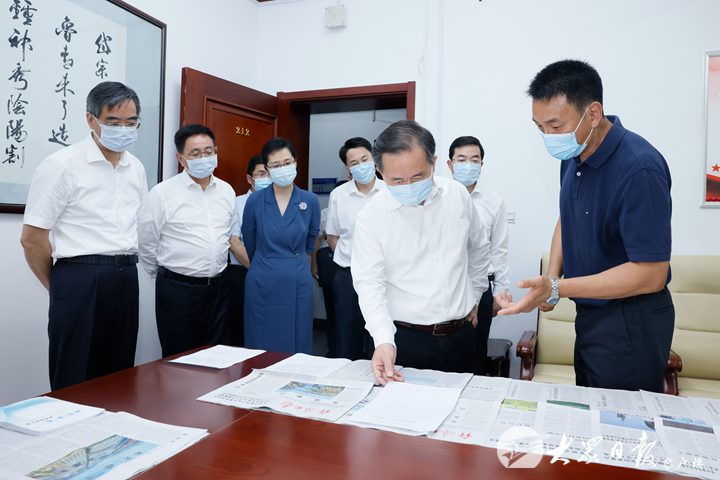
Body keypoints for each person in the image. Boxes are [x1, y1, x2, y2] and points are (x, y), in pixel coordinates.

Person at [497, 60, 674, 393]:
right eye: (539, 127)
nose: (548, 137)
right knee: (589, 410)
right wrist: (552, 276)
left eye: (555, 125)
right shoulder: (573, 155)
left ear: (593, 114)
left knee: (621, 419)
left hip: (631, 320)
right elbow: (568, 217)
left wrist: (558, 288)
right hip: (591, 314)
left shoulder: (639, 168)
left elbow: (651, 273)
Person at [20, 81, 147, 390]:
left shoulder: (136, 167)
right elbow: (32, 238)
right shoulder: (61, 165)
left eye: (131, 122)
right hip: (80, 278)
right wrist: (61, 286)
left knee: (119, 376)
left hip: (126, 276)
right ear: (91, 120)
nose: (123, 129)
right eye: (113, 122)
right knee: (75, 377)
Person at [351, 120, 490, 385]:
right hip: (404, 340)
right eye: (397, 180)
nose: (408, 185)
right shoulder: (372, 216)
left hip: (461, 336)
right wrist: (383, 339)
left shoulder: (457, 196)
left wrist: (474, 296)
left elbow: (479, 248)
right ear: (380, 171)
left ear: (433, 163)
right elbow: (369, 282)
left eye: (417, 177)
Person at [138, 124, 237, 357]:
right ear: (180, 158)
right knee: (180, 357)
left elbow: (228, 234)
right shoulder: (162, 193)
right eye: (195, 153)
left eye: (209, 151)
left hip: (219, 287)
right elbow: (147, 242)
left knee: (218, 355)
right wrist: (162, 273)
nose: (204, 157)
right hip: (178, 290)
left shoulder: (226, 191)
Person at [242, 137, 321, 354]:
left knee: (297, 339)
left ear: (295, 162)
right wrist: (265, 261)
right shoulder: (255, 200)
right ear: (268, 169)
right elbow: (249, 239)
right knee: (261, 340)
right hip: (263, 277)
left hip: (297, 277)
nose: (283, 168)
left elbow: (311, 239)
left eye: (287, 163)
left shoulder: (310, 200)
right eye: (276, 165)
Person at [446, 136, 511, 375]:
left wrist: (500, 291)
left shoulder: (494, 201)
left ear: (482, 165)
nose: (468, 165)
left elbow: (499, 250)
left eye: (475, 160)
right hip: (448, 286)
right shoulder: (440, 198)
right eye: (461, 159)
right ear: (450, 164)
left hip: (482, 287)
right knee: (447, 353)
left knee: (475, 354)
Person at [326, 137, 386, 360]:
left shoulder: (390, 191)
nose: (361, 166)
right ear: (347, 168)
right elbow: (332, 236)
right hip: (348, 276)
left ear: (374, 159)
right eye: (354, 163)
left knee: (380, 335)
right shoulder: (338, 195)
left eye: (364, 159)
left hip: (383, 276)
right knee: (347, 334)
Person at [225, 155, 271, 347]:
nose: (267, 178)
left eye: (269, 174)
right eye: (261, 174)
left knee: (269, 327)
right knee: (241, 329)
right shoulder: (237, 203)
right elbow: (234, 241)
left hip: (275, 274)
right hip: (243, 273)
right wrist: (258, 269)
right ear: (249, 178)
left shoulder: (281, 201)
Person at [311, 179, 347, 358]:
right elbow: (318, 240)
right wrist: (314, 265)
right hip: (329, 263)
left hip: (351, 265)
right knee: (331, 308)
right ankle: (332, 348)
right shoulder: (325, 213)